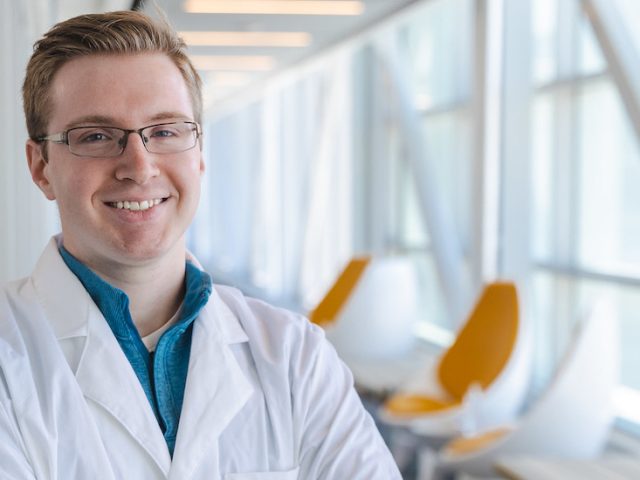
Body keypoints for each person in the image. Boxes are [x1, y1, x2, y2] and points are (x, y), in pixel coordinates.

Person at [0, 9, 402, 480]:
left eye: (166, 131)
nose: (139, 165)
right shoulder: (11, 360)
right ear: (41, 167)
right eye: (95, 136)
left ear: (200, 152)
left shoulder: (296, 358)